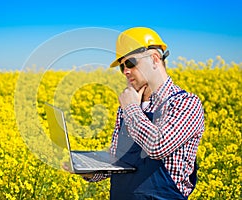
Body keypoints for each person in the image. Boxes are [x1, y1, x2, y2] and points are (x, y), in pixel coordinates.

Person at [66, 27, 205, 199]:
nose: (126, 71)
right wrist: (87, 170)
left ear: (155, 59)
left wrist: (131, 109)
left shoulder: (185, 103)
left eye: (131, 62)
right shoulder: (129, 105)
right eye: (122, 66)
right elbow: (118, 159)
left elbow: (157, 146)